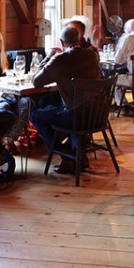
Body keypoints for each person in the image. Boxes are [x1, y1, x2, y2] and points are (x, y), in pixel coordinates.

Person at [30, 25, 102, 174]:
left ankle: (67, 156)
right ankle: (77, 154)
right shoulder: (91, 55)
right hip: (98, 114)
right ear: (80, 39)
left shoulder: (60, 59)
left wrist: (49, 57)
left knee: (36, 116)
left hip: (76, 116)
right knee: (58, 104)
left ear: (62, 42)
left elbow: (36, 81)